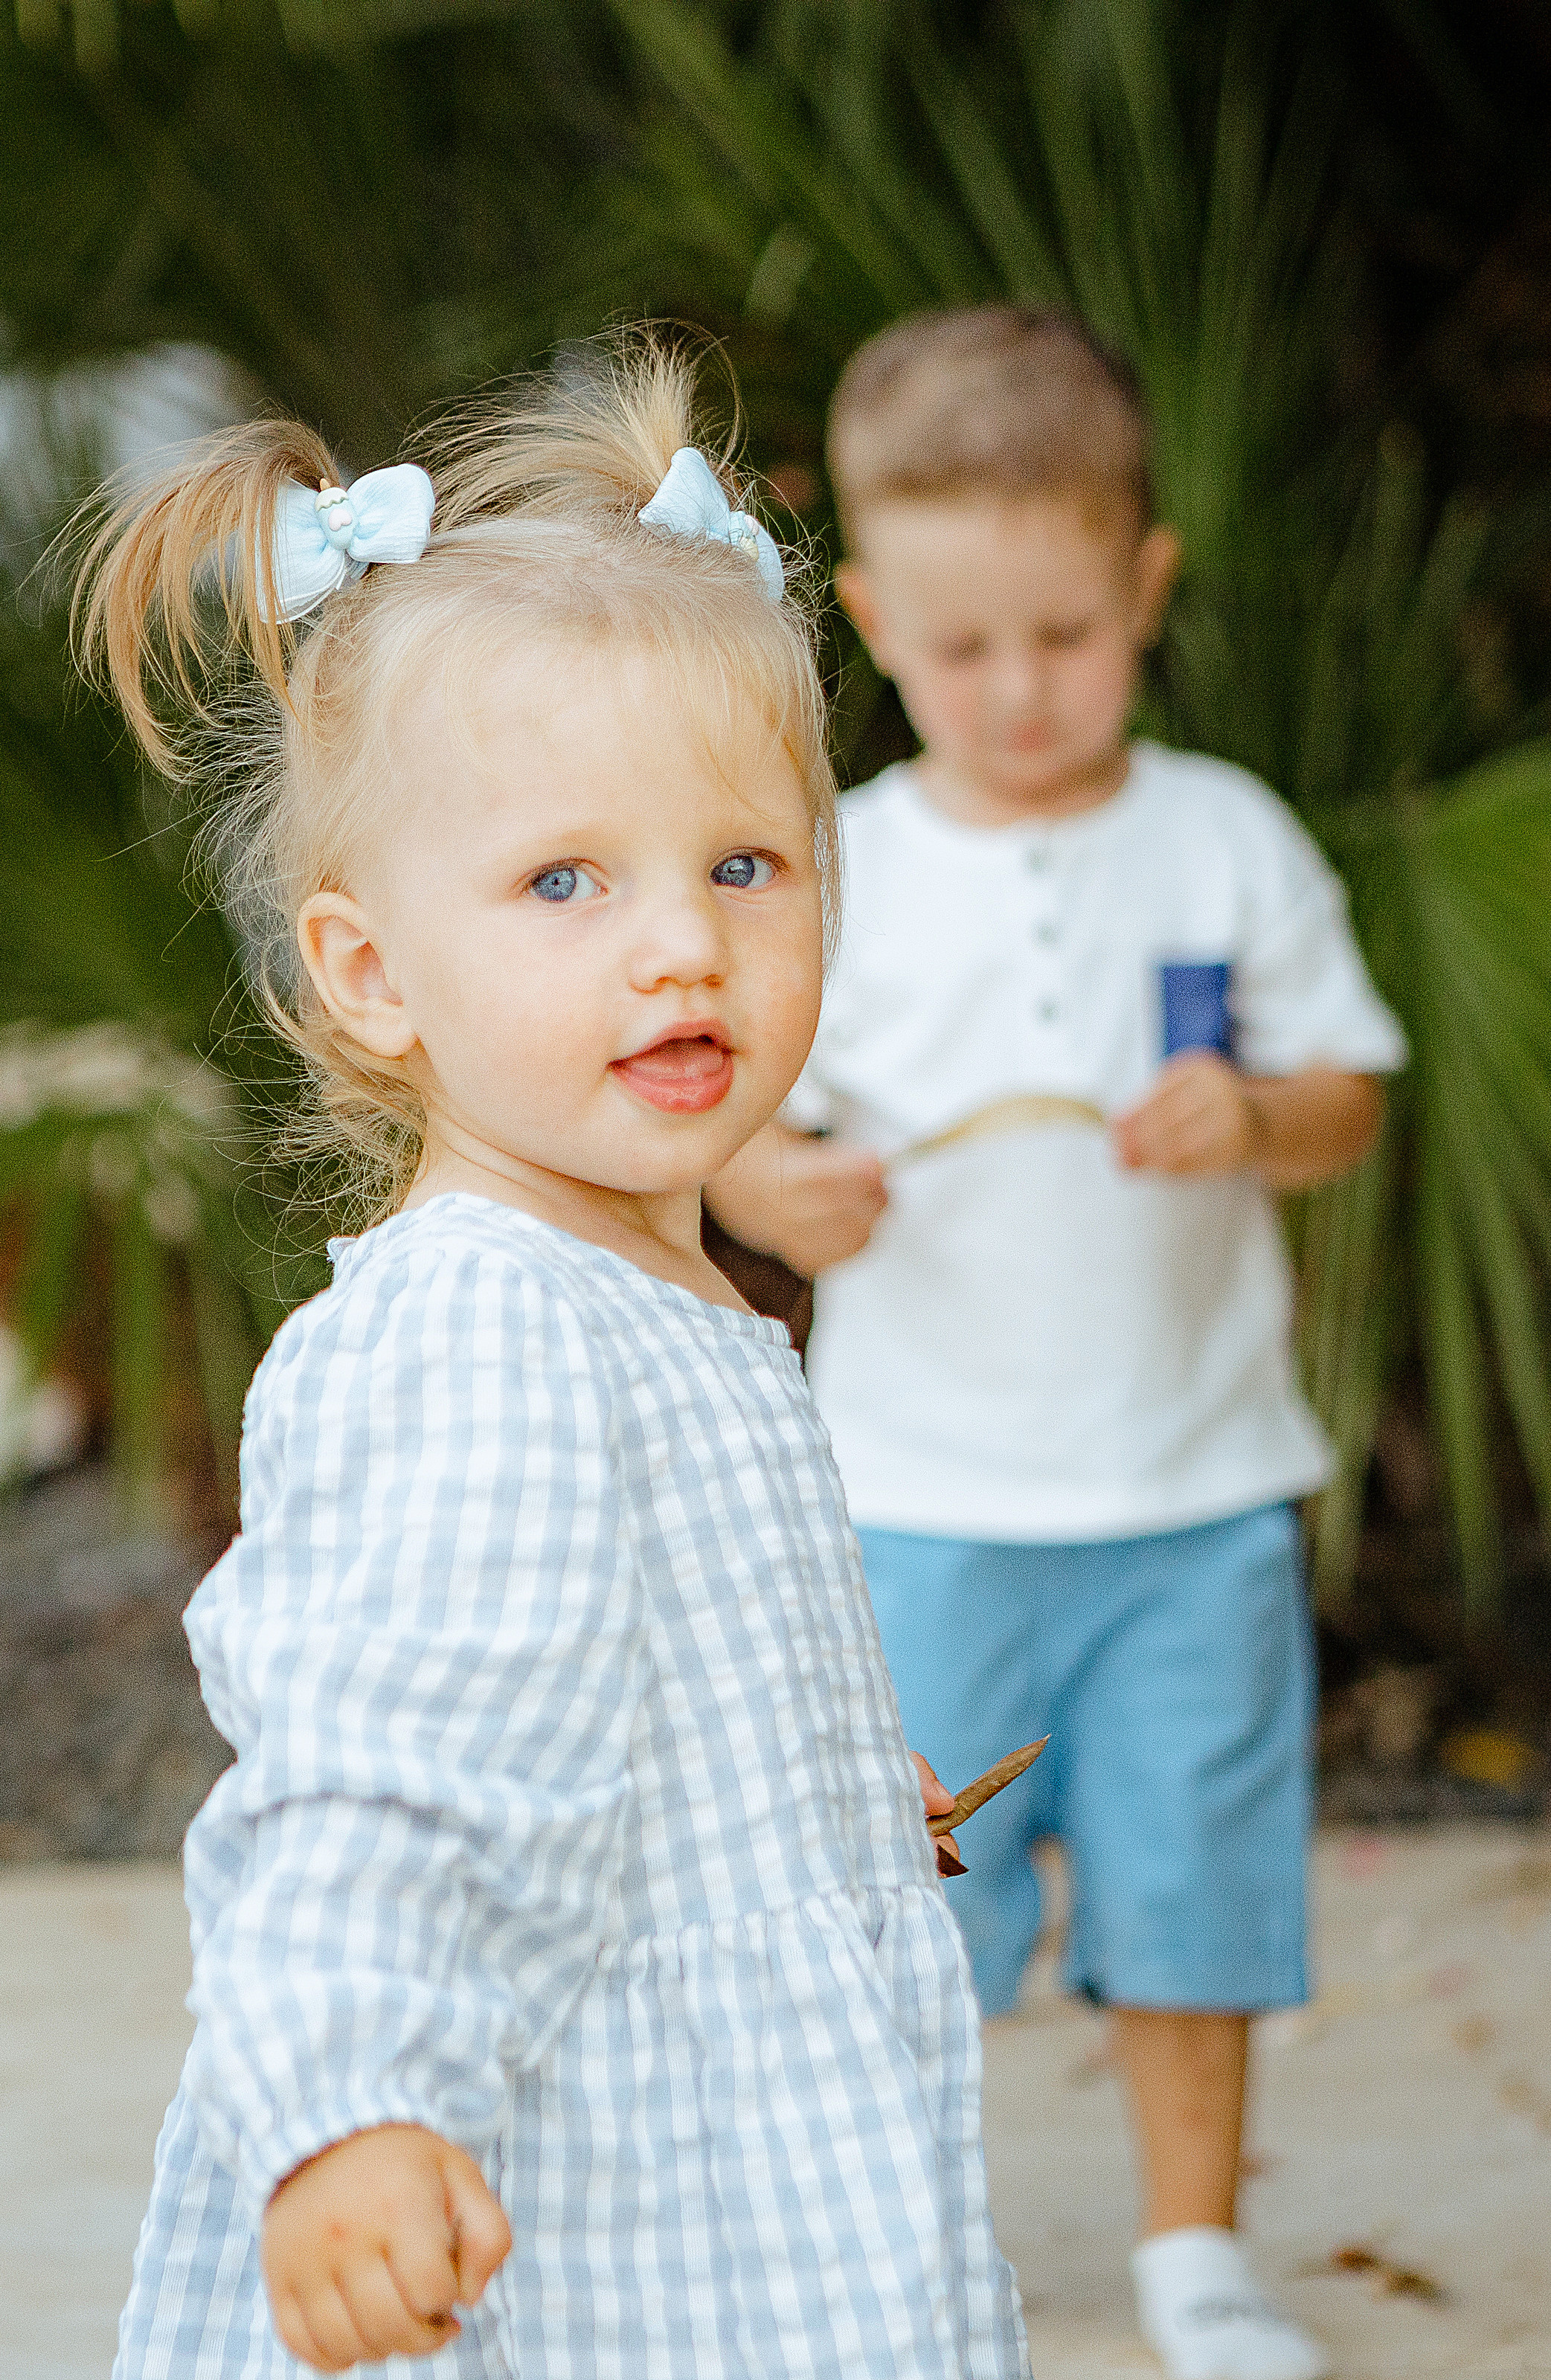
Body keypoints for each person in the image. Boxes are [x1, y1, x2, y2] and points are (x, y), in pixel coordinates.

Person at [77, 335, 1029, 2380]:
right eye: (564, 882)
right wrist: (353, 2104)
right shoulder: (483, 1324)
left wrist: (797, 1791)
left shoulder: (637, 1283)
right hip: (580, 2217)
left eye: (744, 867)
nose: (679, 943)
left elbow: (592, 1675)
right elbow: (385, 1768)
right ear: (370, 970)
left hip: (716, 2161)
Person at [707, 306, 1407, 2380]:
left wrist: (1257, 1116)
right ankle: (899, 2244)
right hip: (923, 1509)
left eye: (1067, 635)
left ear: (1147, 588)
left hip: (1195, 1493)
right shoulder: (834, 869)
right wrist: (775, 1191)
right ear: (866, 622)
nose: (1018, 691)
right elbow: (734, 1119)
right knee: (907, 1906)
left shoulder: (1225, 837)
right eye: (961, 647)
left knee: (1194, 1894)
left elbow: (1347, 1097)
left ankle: (1198, 2251)